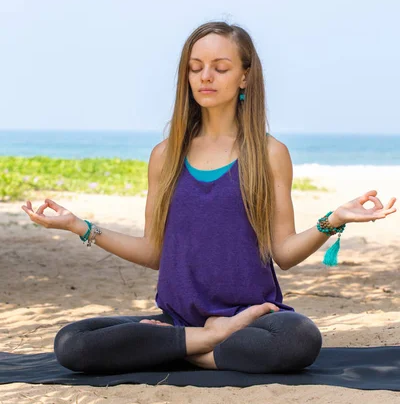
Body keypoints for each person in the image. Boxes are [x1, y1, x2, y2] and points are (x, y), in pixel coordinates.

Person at [22, 21, 397, 375]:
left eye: (220, 67)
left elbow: (283, 253)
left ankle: (190, 349)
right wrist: (78, 226)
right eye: (195, 67)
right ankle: (209, 341)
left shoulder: (269, 153)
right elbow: (154, 251)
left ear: (245, 76)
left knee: (298, 338)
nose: (205, 77)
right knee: (72, 342)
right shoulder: (165, 154)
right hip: (179, 320)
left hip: (254, 319)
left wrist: (332, 220)